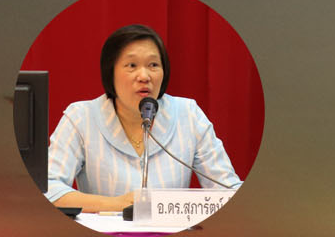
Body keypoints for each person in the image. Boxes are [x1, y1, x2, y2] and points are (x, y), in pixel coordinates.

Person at [46, 24, 242, 212]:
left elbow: (227, 189)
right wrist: (116, 204)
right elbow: (48, 189)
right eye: (132, 65)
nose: (144, 76)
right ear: (110, 72)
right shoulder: (81, 117)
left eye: (153, 65)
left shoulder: (188, 114)